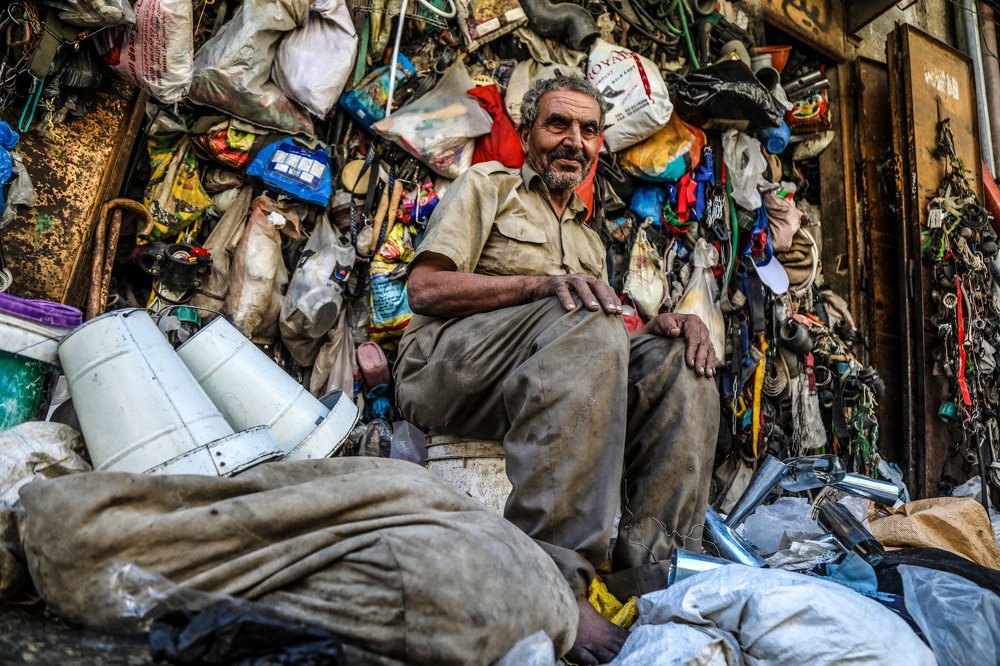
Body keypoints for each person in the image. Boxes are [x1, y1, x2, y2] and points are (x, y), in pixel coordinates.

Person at [394, 75, 719, 664]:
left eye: (588, 130)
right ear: (527, 134)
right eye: (558, 125)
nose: (574, 140)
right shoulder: (487, 187)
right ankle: (553, 585)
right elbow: (425, 287)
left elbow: (599, 349)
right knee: (583, 316)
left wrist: (660, 329)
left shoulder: (591, 243)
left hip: (541, 377)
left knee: (682, 366)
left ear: (598, 147)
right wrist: (538, 286)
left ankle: (649, 580)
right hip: (450, 370)